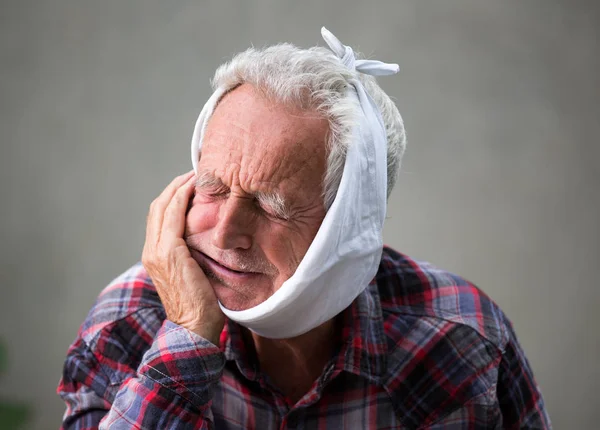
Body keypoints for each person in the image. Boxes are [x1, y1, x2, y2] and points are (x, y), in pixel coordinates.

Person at [57, 28, 551, 429]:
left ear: (349, 225)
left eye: (272, 207)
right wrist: (188, 337)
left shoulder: (462, 342)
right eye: (211, 187)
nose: (227, 233)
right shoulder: (126, 326)